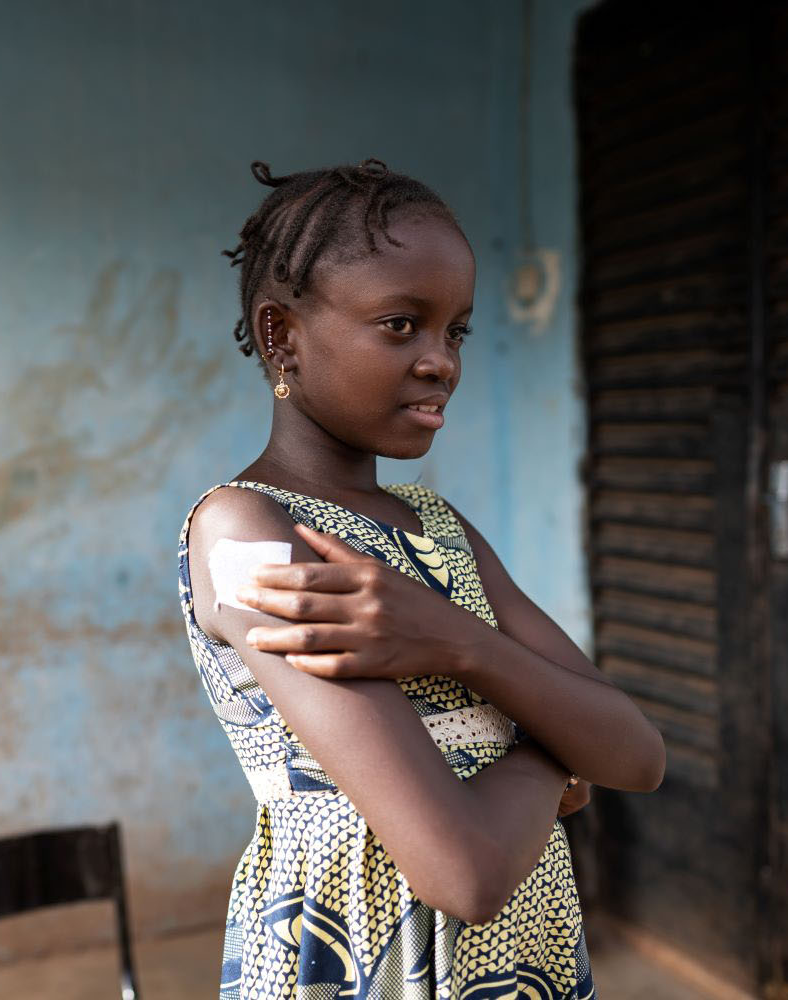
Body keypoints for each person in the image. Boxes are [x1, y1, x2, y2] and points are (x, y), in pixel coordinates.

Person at [177, 159, 665, 999]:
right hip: (369, 960)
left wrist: (457, 642)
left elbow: (638, 753)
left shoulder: (441, 530)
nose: (442, 362)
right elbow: (464, 870)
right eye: (402, 325)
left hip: (525, 959)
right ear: (281, 336)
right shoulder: (245, 532)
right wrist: (552, 749)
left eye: (457, 331)